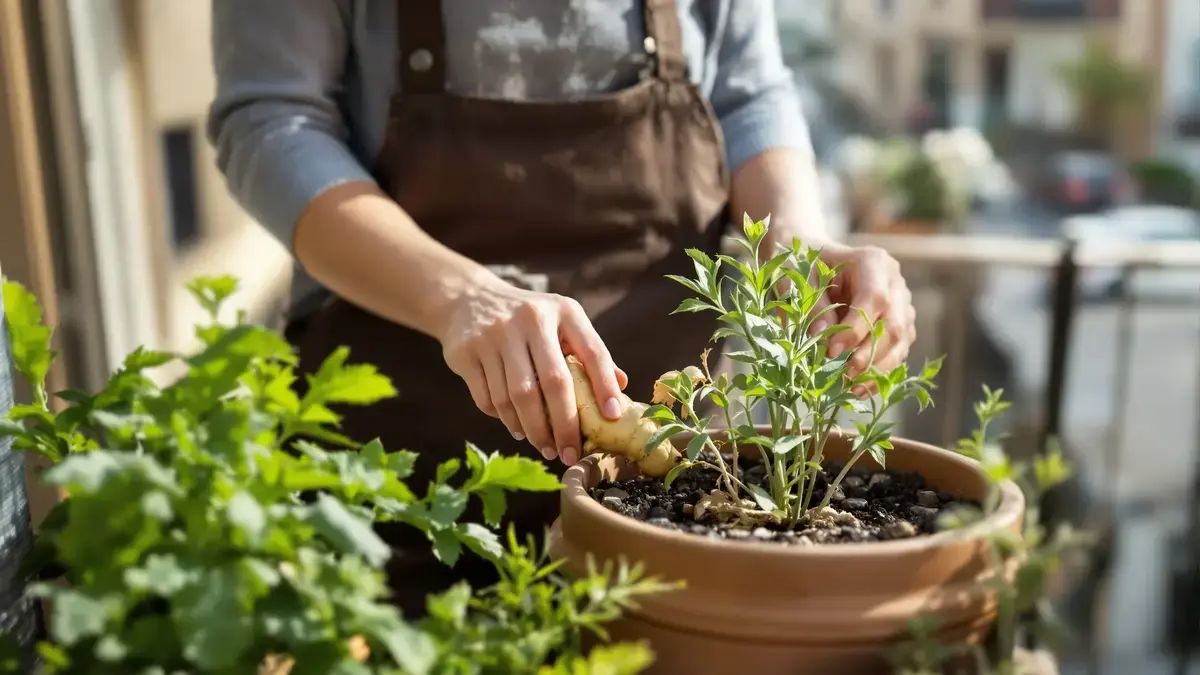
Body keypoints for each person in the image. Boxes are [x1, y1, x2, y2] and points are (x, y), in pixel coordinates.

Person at [208, 0, 916, 613]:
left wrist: (797, 246)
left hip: (666, 506)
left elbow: (747, 88)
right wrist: (462, 296)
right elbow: (273, 117)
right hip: (399, 500)